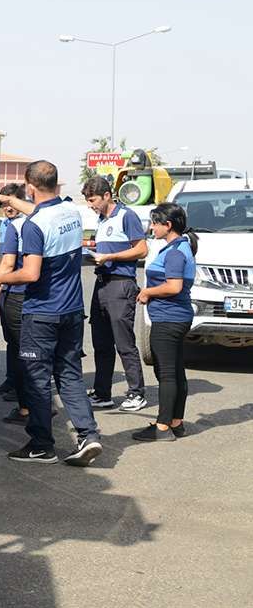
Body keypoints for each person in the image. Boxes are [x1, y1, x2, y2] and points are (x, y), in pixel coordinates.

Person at [0, 161, 102, 466]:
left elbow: (30, 273)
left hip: (42, 313)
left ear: (30, 186)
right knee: (69, 375)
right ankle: (88, 435)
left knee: (36, 380)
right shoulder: (71, 211)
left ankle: (41, 445)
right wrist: (10, 200)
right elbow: (40, 210)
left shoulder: (33, 226)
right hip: (72, 310)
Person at [82, 177, 149, 412]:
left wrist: (110, 257)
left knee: (124, 342)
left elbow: (142, 249)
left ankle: (137, 393)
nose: (90, 205)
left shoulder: (126, 216)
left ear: (107, 195)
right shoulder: (101, 220)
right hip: (102, 283)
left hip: (121, 285)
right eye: (88, 200)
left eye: (93, 200)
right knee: (101, 343)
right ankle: (103, 393)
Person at [133, 203, 197, 442]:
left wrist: (148, 292)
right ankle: (175, 422)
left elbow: (174, 286)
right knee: (176, 371)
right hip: (176, 317)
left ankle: (162, 427)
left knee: (166, 373)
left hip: (169, 319)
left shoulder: (175, 252)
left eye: (155, 223)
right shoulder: (180, 246)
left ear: (168, 225)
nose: (152, 227)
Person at [0, 183, 31, 425]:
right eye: (4, 204)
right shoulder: (7, 225)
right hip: (7, 288)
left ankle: (26, 399)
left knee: (23, 346)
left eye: (10, 202)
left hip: (19, 292)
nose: (7, 208)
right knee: (12, 342)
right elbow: (2, 259)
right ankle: (12, 381)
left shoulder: (25, 224)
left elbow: (9, 264)